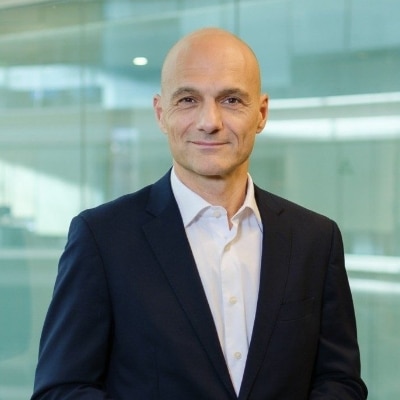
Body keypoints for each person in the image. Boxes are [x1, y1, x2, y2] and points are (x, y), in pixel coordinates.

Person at [31, 27, 368, 399]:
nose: (210, 121)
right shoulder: (102, 238)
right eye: (188, 99)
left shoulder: (315, 239)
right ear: (161, 113)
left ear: (261, 113)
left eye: (231, 100)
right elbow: (61, 390)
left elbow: (340, 381)